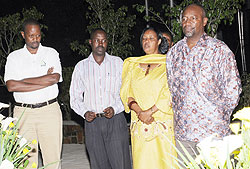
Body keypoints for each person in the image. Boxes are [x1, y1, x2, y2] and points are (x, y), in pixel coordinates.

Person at [166, 3, 242, 161]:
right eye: (184, 18)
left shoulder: (218, 50)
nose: (187, 22)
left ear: (204, 21)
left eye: (193, 18)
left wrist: (218, 116)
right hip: (184, 134)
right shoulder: (174, 53)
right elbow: (172, 87)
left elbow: (233, 90)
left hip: (212, 132)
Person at [4, 18, 63, 169]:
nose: (35, 39)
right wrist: (44, 79)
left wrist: (22, 82)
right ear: (23, 35)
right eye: (31, 36)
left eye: (38, 35)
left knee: (52, 159)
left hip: (49, 110)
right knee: (26, 160)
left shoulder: (51, 53)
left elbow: (54, 78)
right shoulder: (14, 57)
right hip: (23, 113)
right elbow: (11, 86)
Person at [69, 28, 131, 169]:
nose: (100, 43)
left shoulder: (118, 63)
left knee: (120, 163)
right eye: (97, 40)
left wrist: (115, 108)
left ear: (107, 43)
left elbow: (127, 92)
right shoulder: (81, 67)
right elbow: (74, 97)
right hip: (93, 123)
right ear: (90, 42)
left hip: (115, 121)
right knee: (98, 164)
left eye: (103, 40)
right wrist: (84, 112)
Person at [120, 27, 177, 169]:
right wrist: (140, 112)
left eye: (151, 38)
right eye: (144, 39)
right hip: (140, 124)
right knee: (143, 163)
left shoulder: (169, 64)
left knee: (165, 162)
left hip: (162, 123)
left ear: (158, 41)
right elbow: (127, 92)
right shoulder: (132, 65)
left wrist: (150, 112)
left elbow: (170, 91)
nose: (147, 42)